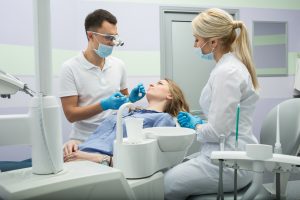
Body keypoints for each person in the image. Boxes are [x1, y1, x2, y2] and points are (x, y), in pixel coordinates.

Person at [164, 8, 260, 199]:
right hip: (225, 154)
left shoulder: (228, 72)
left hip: (231, 162)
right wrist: (198, 124)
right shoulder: (225, 68)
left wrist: (195, 125)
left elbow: (218, 132)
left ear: (213, 42)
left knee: (164, 186)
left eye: (197, 39)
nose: (195, 45)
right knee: (174, 169)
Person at [58, 9, 145, 157]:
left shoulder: (119, 65)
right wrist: (103, 105)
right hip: (83, 141)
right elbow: (71, 114)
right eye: (108, 38)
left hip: (114, 138)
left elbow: (123, 103)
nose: (113, 43)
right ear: (90, 35)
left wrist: (131, 100)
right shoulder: (70, 68)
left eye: (114, 37)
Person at [63, 79, 190, 166]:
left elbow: (148, 160)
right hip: (76, 155)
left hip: (99, 163)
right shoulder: (125, 111)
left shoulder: (164, 119)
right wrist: (76, 143)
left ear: (170, 95)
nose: (152, 84)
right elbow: (102, 137)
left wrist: (99, 159)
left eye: (160, 83)